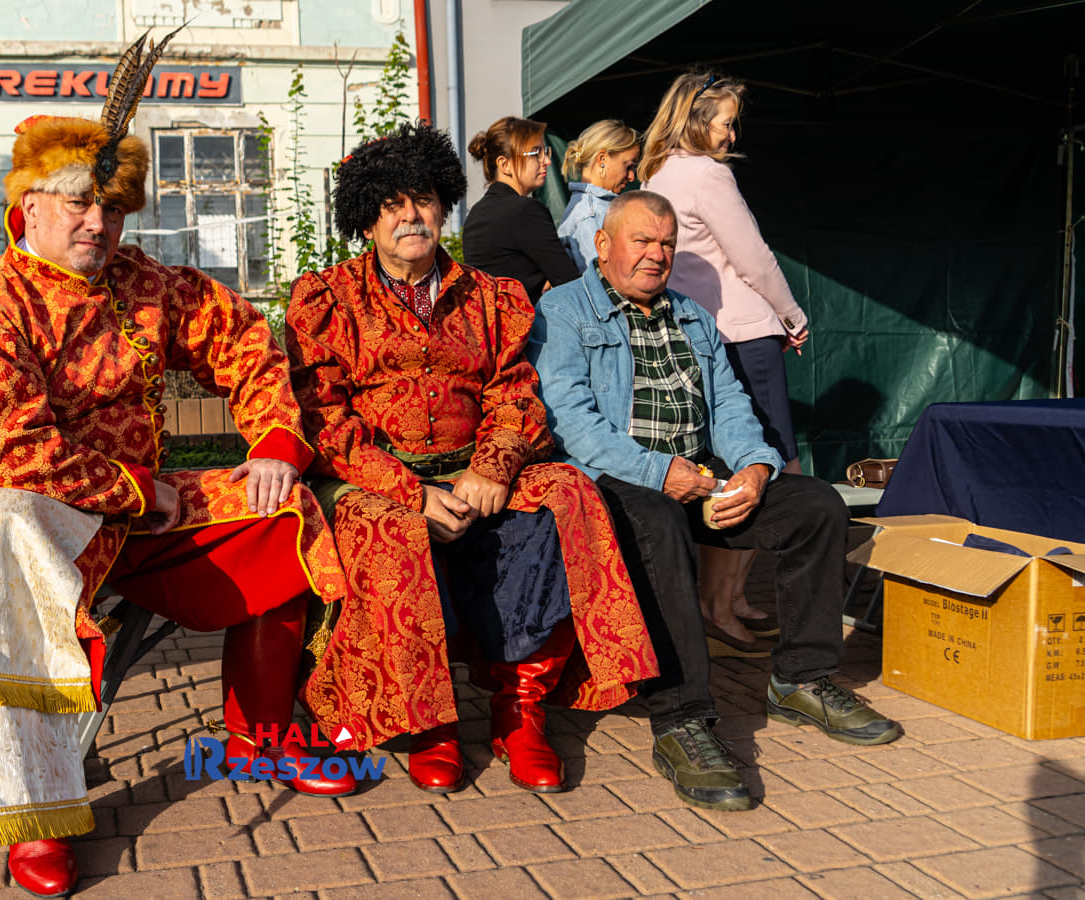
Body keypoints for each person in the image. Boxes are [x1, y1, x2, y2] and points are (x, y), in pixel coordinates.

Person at [0, 102, 356, 896]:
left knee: (280, 512)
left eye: (113, 208)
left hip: (144, 517)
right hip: (44, 523)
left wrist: (273, 443)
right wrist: (130, 489)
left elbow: (245, 342)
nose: (98, 223)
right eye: (78, 202)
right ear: (30, 207)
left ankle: (261, 737)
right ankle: (37, 813)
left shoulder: (145, 283)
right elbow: (0, 448)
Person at [288, 123, 658, 796]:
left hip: (476, 466)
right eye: (393, 204)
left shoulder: (493, 296)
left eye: (424, 200)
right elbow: (324, 420)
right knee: (388, 530)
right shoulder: (328, 299)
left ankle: (520, 708)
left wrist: (493, 466)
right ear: (367, 218)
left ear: (443, 207)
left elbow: (516, 393)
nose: (411, 215)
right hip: (374, 476)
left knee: (568, 492)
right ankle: (430, 724)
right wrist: (411, 492)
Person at [528, 191, 902, 812]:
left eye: (667, 243)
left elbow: (728, 404)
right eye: (642, 241)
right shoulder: (563, 310)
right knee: (658, 523)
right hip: (615, 476)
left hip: (698, 471)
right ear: (603, 244)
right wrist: (658, 471)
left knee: (816, 506)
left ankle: (802, 679)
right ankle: (682, 720)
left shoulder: (693, 315)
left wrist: (754, 466)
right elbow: (570, 423)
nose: (657, 254)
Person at [641, 71, 808, 653]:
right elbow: (753, 257)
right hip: (744, 333)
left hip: (702, 336)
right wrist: (792, 316)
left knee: (726, 465)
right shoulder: (709, 174)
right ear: (696, 120)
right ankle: (719, 604)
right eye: (726, 122)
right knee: (770, 467)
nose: (731, 134)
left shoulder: (656, 173)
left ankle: (727, 599)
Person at [462, 116, 582, 297]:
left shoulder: (476, 214)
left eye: (545, 152)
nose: (546, 161)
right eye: (535, 154)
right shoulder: (524, 211)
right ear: (505, 164)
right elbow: (569, 282)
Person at [556, 118, 641, 271]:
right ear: (602, 159)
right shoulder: (590, 215)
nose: (631, 177)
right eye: (629, 166)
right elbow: (606, 275)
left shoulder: (596, 209)